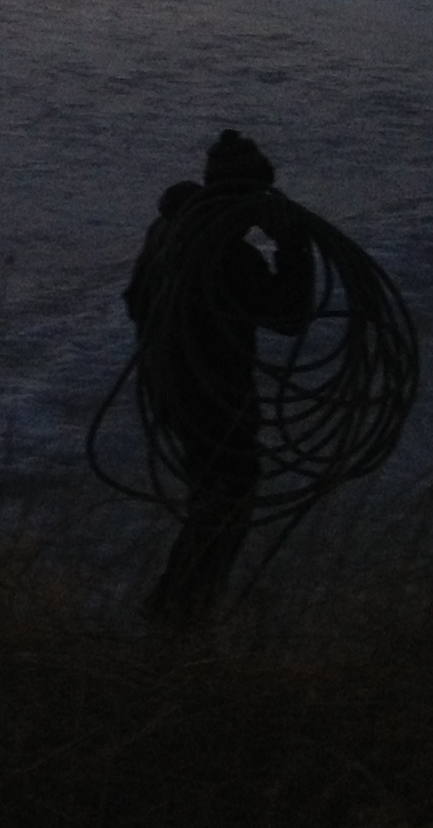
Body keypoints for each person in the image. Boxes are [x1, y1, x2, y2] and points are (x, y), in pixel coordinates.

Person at [123, 129, 315, 624]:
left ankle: (179, 609)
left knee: (212, 500)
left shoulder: (165, 231)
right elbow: (291, 315)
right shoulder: (231, 257)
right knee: (226, 503)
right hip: (216, 399)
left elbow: (133, 300)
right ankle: (180, 612)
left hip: (171, 389)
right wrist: (292, 243)